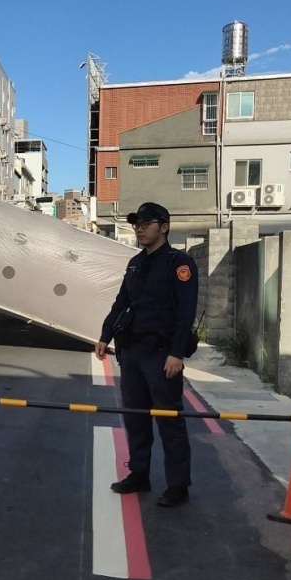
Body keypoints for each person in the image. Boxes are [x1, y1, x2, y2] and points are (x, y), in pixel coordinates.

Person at [94, 202, 199, 507]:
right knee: (136, 417)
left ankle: (178, 486)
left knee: (169, 421)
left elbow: (185, 313)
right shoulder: (136, 264)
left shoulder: (179, 264)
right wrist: (105, 334)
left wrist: (177, 353)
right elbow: (120, 302)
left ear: (163, 227)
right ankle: (139, 474)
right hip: (133, 353)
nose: (139, 228)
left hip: (162, 353)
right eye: (136, 223)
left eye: (145, 223)